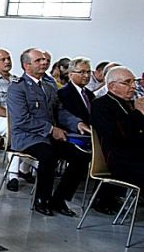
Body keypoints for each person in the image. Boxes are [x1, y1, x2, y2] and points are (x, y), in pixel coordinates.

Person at [7, 48, 90, 217]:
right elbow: (22, 119)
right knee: (48, 156)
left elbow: (59, 110)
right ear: (26, 65)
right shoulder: (17, 88)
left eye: (45, 59)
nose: (44, 62)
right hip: (27, 137)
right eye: (38, 60)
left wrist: (77, 123)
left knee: (81, 157)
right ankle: (41, 200)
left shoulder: (49, 85)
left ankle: (59, 199)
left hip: (47, 137)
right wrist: (51, 129)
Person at [0, 48, 32, 191]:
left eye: (9, 58)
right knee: (14, 129)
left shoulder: (16, 80)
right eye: (3, 59)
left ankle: (24, 168)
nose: (7, 61)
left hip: (16, 118)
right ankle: (13, 175)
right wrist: (17, 118)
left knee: (34, 129)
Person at [91, 66, 144, 190]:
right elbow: (116, 134)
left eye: (134, 81)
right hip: (120, 159)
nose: (133, 86)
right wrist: (138, 113)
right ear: (112, 86)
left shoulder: (131, 104)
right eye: (127, 82)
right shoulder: (101, 105)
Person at [57, 57, 95, 127]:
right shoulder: (62, 93)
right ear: (70, 74)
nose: (86, 75)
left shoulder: (90, 94)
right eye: (82, 72)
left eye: (88, 72)